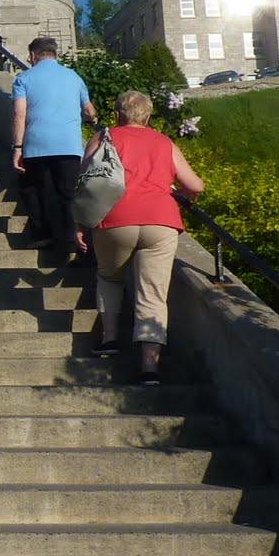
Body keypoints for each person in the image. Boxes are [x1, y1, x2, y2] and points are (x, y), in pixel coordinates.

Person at [75, 90, 204, 385]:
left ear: (118, 113)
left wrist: (79, 224)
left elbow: (86, 185)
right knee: (154, 293)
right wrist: (174, 192)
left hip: (114, 217)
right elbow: (195, 185)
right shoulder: (163, 142)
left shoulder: (104, 138)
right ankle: (149, 368)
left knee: (109, 276)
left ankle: (110, 341)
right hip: (162, 220)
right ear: (147, 115)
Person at [11, 36, 97, 256]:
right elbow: (89, 110)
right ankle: (71, 241)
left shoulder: (24, 79)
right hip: (68, 145)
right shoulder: (74, 77)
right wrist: (92, 120)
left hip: (36, 145)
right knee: (67, 193)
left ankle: (42, 235)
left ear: (32, 55)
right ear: (55, 53)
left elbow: (19, 113)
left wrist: (17, 147)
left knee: (32, 189)